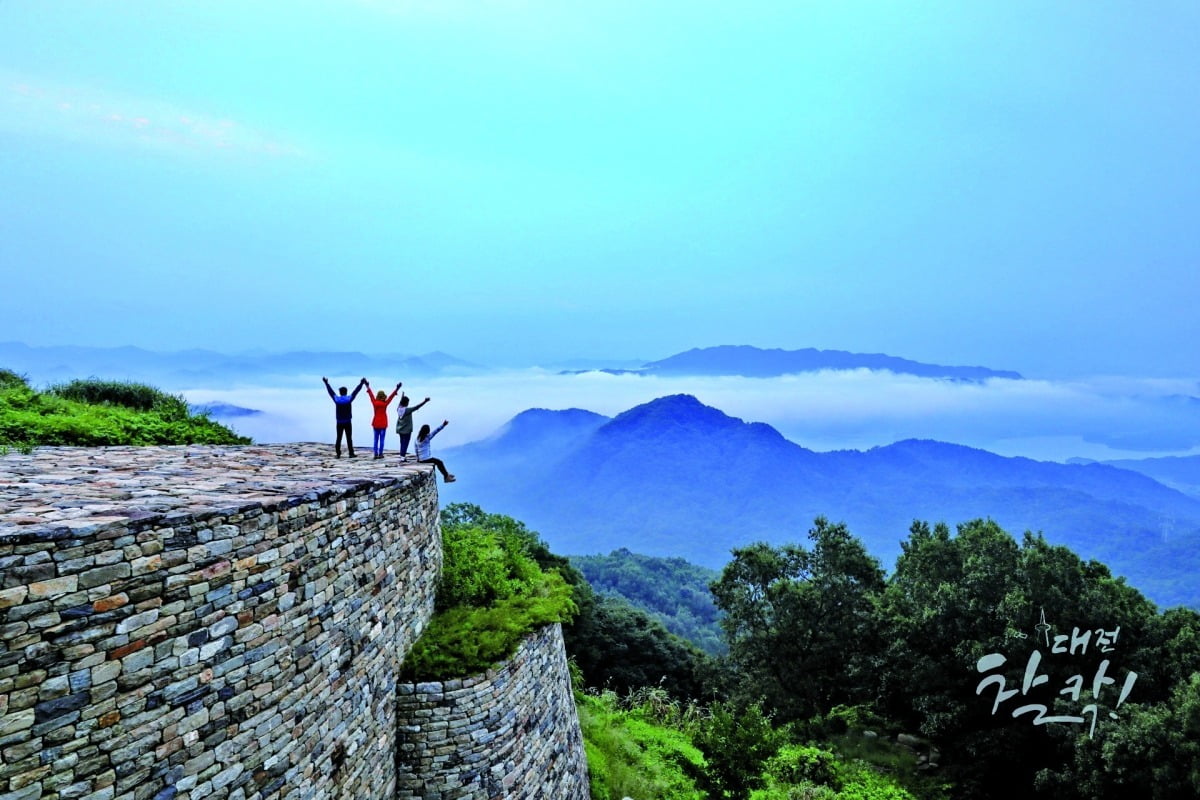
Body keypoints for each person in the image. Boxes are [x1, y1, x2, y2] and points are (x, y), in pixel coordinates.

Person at [322, 376, 366, 458]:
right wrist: (361, 383)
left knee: (339, 438)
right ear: (346, 392)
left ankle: (338, 453)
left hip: (339, 422)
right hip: (348, 422)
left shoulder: (337, 399)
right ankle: (351, 453)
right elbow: (356, 391)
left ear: (340, 392)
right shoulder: (349, 399)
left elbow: (330, 392)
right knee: (349, 438)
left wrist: (326, 383)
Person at [364, 380, 402, 459]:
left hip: (375, 423)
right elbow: (391, 397)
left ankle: (375, 454)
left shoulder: (374, 402)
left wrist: (367, 386)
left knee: (375, 440)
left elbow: (371, 395)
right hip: (383, 423)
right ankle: (380, 454)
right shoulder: (385, 404)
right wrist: (397, 389)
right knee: (382, 440)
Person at [394, 395, 431, 461]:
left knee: (402, 442)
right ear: (406, 403)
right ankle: (402, 456)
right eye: (407, 402)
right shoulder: (407, 410)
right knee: (405, 443)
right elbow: (416, 407)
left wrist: (401, 398)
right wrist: (425, 401)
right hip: (407, 430)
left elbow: (400, 404)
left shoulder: (398, 409)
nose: (408, 403)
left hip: (400, 429)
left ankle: (402, 455)